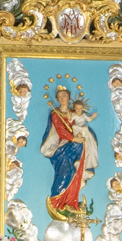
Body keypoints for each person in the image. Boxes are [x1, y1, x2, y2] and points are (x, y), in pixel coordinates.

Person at [40, 86, 91, 215]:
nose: (62, 98)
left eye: (65, 95)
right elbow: (60, 130)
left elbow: (82, 123)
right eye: (60, 96)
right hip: (61, 148)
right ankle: (56, 202)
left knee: (75, 172)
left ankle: (70, 202)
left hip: (76, 145)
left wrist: (80, 135)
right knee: (64, 172)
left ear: (69, 97)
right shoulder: (55, 114)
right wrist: (74, 138)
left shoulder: (75, 112)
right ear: (57, 99)